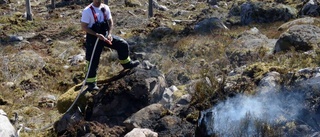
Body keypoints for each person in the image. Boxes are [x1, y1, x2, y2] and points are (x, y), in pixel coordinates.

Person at [80, 0, 139, 90]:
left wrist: (110, 34)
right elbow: (84, 26)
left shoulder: (105, 8)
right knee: (92, 59)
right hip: (93, 38)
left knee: (122, 44)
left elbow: (110, 22)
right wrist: (96, 34)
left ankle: (127, 63)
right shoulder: (87, 11)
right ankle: (91, 83)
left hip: (106, 35)